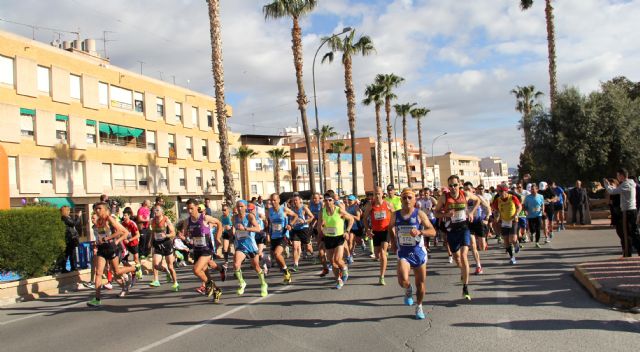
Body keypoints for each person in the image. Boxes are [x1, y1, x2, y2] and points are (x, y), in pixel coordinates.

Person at [389, 188, 436, 319]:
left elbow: (433, 231)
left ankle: (419, 306)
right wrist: (393, 242)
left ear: (415, 199)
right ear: (401, 200)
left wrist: (421, 232)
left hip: (418, 252)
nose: (407, 200)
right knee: (402, 279)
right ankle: (408, 289)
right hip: (404, 251)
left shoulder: (419, 214)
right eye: (404, 198)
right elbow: (390, 228)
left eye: (410, 197)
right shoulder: (395, 214)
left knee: (420, 284)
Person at [434, 175, 479, 300]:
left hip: (464, 228)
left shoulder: (465, 194)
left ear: (459, 184)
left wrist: (471, 212)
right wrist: (446, 214)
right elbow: (436, 213)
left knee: (464, 256)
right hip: (451, 231)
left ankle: (465, 287)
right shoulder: (444, 197)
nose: (453, 188)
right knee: (457, 259)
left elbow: (478, 200)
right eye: (451, 186)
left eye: (455, 185)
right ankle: (463, 272)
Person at [87, 202, 136, 307]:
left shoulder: (109, 218)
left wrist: (108, 239)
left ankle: (134, 268)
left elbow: (122, 231)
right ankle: (97, 299)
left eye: (99, 208)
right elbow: (100, 235)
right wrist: (98, 242)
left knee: (116, 271)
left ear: (105, 209)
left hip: (111, 248)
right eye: (96, 209)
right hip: (102, 248)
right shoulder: (97, 222)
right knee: (99, 272)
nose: (97, 210)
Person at [184, 198, 224, 302]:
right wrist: (187, 239)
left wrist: (217, 238)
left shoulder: (204, 218)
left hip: (207, 249)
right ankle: (216, 290)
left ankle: (209, 285)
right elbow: (185, 235)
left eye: (191, 208)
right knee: (205, 273)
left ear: (197, 207)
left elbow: (219, 223)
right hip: (197, 250)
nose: (189, 211)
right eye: (188, 209)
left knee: (196, 270)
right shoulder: (187, 221)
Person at [316, 190, 354, 289]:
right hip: (328, 238)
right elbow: (319, 225)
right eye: (325, 200)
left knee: (337, 259)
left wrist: (347, 231)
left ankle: (344, 268)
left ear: (333, 201)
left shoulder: (339, 210)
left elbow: (351, 219)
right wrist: (320, 231)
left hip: (339, 238)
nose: (327, 202)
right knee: (332, 262)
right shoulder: (322, 211)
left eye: (330, 200)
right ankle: (339, 280)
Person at [232, 200, 268, 296]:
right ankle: (242, 283)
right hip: (241, 245)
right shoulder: (234, 218)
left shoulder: (249, 216)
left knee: (256, 266)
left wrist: (245, 228)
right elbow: (234, 229)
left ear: (245, 207)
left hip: (251, 245)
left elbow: (258, 229)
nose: (239, 208)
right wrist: (231, 230)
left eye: (241, 206)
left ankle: (263, 284)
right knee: (236, 264)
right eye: (238, 206)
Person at [604, 168, 640, 257]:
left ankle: (628, 253)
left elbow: (612, 191)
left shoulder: (626, 184)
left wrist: (606, 185)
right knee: (632, 232)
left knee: (627, 233)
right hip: (632, 210)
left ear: (622, 176)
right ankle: (629, 252)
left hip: (627, 212)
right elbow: (617, 189)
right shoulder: (631, 182)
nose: (617, 177)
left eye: (618, 175)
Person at [363, 186, 394, 285]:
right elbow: (364, 218)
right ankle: (383, 254)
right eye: (375, 193)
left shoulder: (388, 204)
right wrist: (368, 229)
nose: (377, 195)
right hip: (375, 232)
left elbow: (394, 216)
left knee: (382, 252)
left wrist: (393, 229)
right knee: (377, 255)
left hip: (386, 231)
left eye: (378, 193)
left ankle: (382, 276)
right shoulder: (370, 205)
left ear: (382, 194)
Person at [266, 193, 297, 283]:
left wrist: (290, 224)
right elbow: (268, 224)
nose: (273, 202)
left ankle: (286, 272)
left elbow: (295, 216)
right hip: (273, 236)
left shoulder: (284, 209)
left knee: (277, 254)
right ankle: (285, 272)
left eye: (275, 200)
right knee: (275, 257)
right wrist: (268, 235)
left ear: (279, 200)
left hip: (283, 236)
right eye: (271, 200)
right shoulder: (269, 211)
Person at [148, 205, 179, 291]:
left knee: (170, 266)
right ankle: (157, 280)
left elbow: (173, 233)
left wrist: (166, 235)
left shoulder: (166, 220)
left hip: (167, 243)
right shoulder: (152, 221)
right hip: (157, 244)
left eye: (157, 210)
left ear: (162, 212)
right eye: (154, 210)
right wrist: (150, 242)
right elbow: (153, 232)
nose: (155, 212)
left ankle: (175, 283)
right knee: (156, 265)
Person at [492, 184, 523, 264]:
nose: (500, 193)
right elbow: (496, 210)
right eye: (499, 191)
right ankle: (512, 257)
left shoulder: (512, 197)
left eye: (501, 191)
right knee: (506, 241)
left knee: (512, 239)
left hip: (513, 220)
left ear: (506, 191)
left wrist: (516, 214)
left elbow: (519, 207)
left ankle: (516, 244)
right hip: (504, 221)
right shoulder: (497, 200)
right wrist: (496, 217)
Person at [463, 182, 489, 274]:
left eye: (468, 189)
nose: (466, 191)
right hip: (468, 223)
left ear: (472, 190)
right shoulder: (463, 198)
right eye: (465, 189)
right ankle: (478, 266)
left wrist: (487, 218)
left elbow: (488, 208)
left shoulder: (478, 197)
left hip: (478, 222)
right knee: (473, 245)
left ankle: (483, 242)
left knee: (481, 246)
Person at [289, 194, 314, 271]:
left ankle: (313, 255)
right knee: (295, 246)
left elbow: (312, 217)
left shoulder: (304, 208)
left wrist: (304, 221)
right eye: (293, 200)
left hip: (304, 229)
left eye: (296, 200)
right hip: (295, 230)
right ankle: (295, 264)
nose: (295, 202)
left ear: (300, 201)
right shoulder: (291, 209)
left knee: (308, 247)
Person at [121, 207, 143, 282]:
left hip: (133, 242)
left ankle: (139, 271)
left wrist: (129, 240)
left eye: (125, 215)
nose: (124, 217)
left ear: (129, 216)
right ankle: (130, 271)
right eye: (123, 215)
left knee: (136, 259)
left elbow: (138, 235)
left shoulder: (132, 224)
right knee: (124, 259)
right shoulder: (122, 224)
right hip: (125, 243)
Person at [60, 206, 82, 273]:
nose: (69, 211)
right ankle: (64, 268)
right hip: (69, 238)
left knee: (71, 253)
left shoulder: (67, 217)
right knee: (67, 253)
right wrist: (78, 216)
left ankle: (73, 267)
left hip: (71, 238)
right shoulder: (64, 218)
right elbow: (73, 223)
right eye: (68, 210)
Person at [524, 183, 545, 248]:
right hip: (530, 215)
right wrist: (525, 211)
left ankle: (537, 242)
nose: (532, 190)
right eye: (531, 189)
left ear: (537, 189)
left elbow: (542, 204)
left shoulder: (541, 196)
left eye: (533, 189)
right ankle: (532, 233)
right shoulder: (527, 197)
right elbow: (525, 206)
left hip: (538, 214)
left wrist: (543, 211)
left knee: (538, 229)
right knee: (532, 229)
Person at [345, 195, 361, 264]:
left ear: (354, 201)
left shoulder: (356, 207)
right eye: (348, 200)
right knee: (350, 241)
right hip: (350, 227)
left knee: (357, 241)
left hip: (357, 226)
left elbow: (358, 218)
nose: (349, 201)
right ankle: (350, 255)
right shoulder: (347, 208)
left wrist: (350, 215)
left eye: (351, 200)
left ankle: (361, 243)